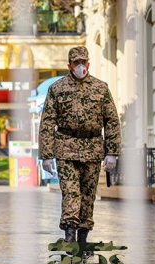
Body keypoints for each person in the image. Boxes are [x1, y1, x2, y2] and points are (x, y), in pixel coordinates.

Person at [38, 46, 121, 244]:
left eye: (83, 62)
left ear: (89, 63)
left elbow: (111, 120)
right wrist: (46, 155)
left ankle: (82, 239)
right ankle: (69, 236)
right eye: (76, 62)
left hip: (92, 149)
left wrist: (113, 152)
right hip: (66, 148)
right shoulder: (57, 88)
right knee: (71, 193)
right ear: (69, 65)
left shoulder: (101, 88)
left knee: (88, 195)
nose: (80, 65)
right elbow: (48, 122)